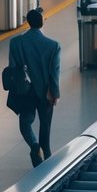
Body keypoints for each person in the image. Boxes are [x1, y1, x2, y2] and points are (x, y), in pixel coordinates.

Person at [7, 9, 60, 167]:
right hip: (45, 93)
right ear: (42, 22)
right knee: (45, 125)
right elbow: (54, 73)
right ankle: (47, 153)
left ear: (28, 22)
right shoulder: (53, 46)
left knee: (25, 124)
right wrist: (54, 93)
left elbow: (12, 68)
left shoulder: (15, 42)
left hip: (24, 92)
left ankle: (34, 146)